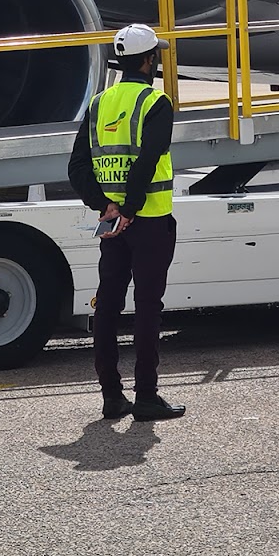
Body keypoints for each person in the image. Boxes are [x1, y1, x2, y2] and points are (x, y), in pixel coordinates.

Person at [68, 23, 187, 422]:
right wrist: (132, 209)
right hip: (148, 220)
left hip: (111, 225)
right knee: (147, 307)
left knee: (107, 307)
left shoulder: (99, 103)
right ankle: (147, 396)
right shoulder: (156, 101)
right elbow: (148, 160)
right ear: (149, 59)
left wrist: (104, 207)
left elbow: (77, 166)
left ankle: (111, 397)